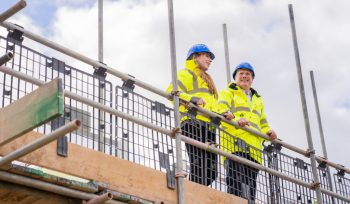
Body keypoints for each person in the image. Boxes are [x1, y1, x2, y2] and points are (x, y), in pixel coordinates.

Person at [218, 62, 277, 202]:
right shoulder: (228, 92)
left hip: (254, 150)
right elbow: (221, 109)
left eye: (248, 74)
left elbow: (262, 122)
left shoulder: (258, 100)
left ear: (252, 78)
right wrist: (237, 119)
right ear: (236, 77)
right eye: (241, 73)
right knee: (236, 183)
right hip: (235, 145)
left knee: (250, 187)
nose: (244, 76)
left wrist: (268, 132)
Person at [166, 44, 218, 186]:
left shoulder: (208, 81)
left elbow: (213, 104)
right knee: (198, 164)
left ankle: (193, 189)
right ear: (195, 57)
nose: (209, 60)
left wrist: (224, 113)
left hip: (209, 127)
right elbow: (171, 92)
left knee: (212, 172)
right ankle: (192, 193)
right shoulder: (185, 73)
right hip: (192, 122)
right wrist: (192, 99)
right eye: (206, 56)